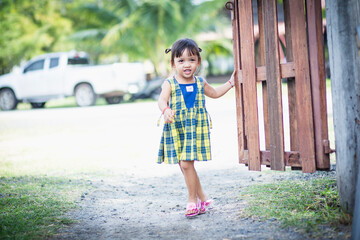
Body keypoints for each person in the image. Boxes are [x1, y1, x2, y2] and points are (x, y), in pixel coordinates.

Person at [157, 38, 235, 217]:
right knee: (185, 166)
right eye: (181, 60)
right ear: (173, 63)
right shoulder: (170, 83)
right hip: (176, 129)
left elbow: (214, 93)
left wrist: (230, 83)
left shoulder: (200, 82)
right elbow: (161, 100)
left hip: (195, 129)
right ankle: (203, 198)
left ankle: (192, 201)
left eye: (192, 60)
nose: (187, 64)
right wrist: (166, 110)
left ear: (198, 62)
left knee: (186, 164)